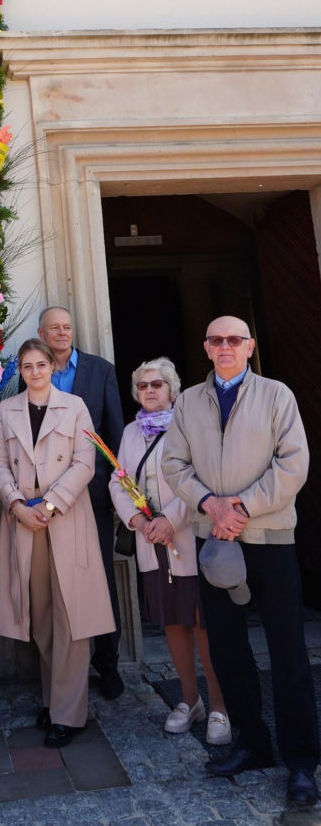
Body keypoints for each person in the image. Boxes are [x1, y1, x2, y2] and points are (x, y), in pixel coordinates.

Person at [162, 316, 319, 808]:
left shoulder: (277, 395)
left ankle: (301, 762)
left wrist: (243, 508)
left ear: (249, 346)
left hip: (269, 538)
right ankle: (252, 745)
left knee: (288, 652)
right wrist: (212, 505)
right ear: (206, 348)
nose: (225, 346)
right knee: (228, 650)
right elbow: (173, 464)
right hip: (215, 541)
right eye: (217, 340)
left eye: (235, 339)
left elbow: (293, 464)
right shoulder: (188, 402)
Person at [0, 339, 116, 749]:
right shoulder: (5, 411)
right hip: (24, 521)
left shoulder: (75, 406)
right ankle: (53, 698)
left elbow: (85, 462)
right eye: (27, 366)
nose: (35, 372)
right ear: (20, 371)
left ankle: (68, 712)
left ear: (52, 367)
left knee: (71, 615)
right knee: (40, 616)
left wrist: (50, 504)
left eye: (41, 364)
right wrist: (15, 504)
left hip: (65, 518)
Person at [109, 357, 230, 745]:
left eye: (157, 384)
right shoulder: (130, 432)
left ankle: (219, 706)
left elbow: (201, 478)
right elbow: (118, 479)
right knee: (173, 622)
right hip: (152, 543)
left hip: (188, 538)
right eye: (142, 386)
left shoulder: (188, 423)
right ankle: (190, 700)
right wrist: (137, 520)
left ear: (172, 390)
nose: (149, 390)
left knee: (202, 623)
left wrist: (171, 521)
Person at [35, 305, 125, 699]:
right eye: (54, 328)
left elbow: (115, 433)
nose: (62, 333)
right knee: (52, 584)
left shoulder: (100, 370)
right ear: (41, 333)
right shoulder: (32, 372)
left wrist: (122, 493)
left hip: (92, 494)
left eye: (67, 327)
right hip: (44, 500)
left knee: (100, 579)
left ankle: (108, 664)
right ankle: (60, 669)